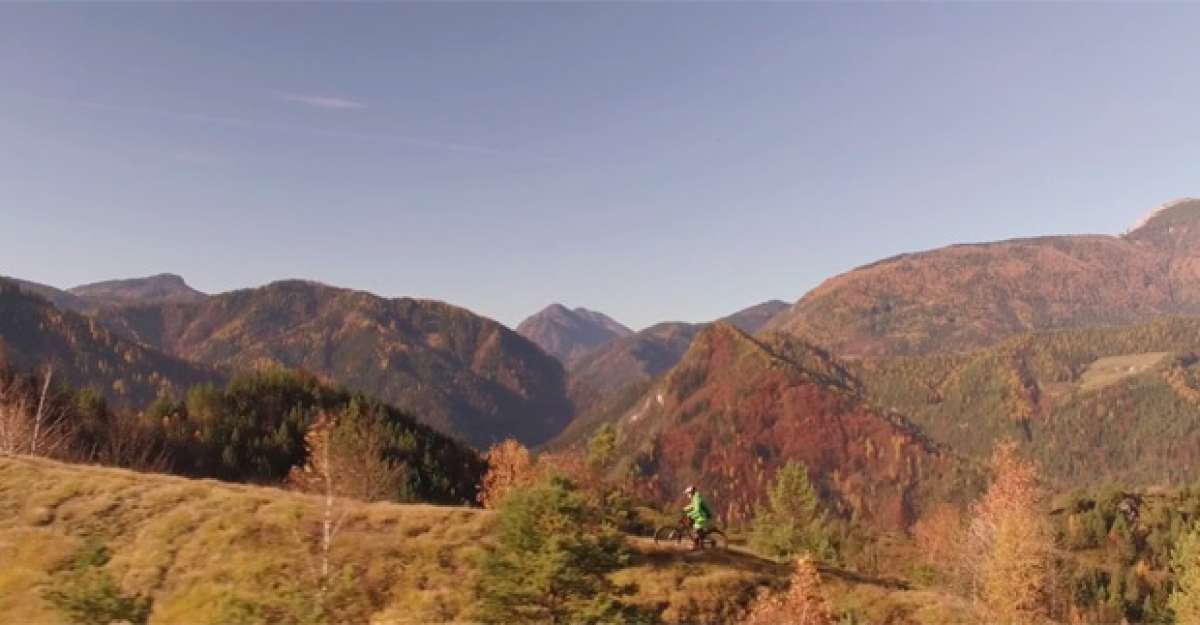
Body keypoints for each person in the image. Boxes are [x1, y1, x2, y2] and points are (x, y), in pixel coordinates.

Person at [683, 485, 713, 549]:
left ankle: (698, 544)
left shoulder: (697, 498)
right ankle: (697, 543)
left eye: (688, 494)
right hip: (699, 516)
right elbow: (692, 505)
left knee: (696, 529)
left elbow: (697, 510)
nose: (687, 495)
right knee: (695, 528)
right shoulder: (695, 497)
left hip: (702, 516)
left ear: (691, 492)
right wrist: (685, 509)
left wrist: (690, 514)